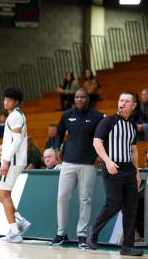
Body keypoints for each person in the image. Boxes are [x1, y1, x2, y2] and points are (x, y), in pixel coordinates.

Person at [87, 92, 143, 256]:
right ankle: (94, 231)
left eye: (127, 101)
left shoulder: (132, 125)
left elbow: (133, 150)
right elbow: (96, 142)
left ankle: (127, 246)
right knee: (114, 203)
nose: (123, 103)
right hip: (113, 168)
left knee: (131, 208)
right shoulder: (108, 121)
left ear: (134, 106)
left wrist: (137, 171)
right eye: (121, 100)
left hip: (129, 171)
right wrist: (108, 161)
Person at [51, 88, 104, 248]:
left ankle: (82, 235)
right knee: (62, 197)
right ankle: (61, 234)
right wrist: (56, 148)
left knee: (85, 199)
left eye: (83, 97)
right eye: (77, 97)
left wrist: (101, 154)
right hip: (68, 162)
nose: (79, 99)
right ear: (74, 99)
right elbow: (58, 132)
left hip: (88, 164)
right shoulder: (67, 115)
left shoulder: (97, 116)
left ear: (88, 98)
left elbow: (104, 136)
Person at [0, 87, 31, 243]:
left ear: (16, 102)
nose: (6, 102)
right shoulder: (15, 116)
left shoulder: (15, 116)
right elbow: (11, 139)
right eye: (5, 99)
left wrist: (6, 161)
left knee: (5, 194)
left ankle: (15, 232)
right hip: (13, 159)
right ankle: (19, 219)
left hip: (13, 161)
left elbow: (17, 141)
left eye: (9, 99)